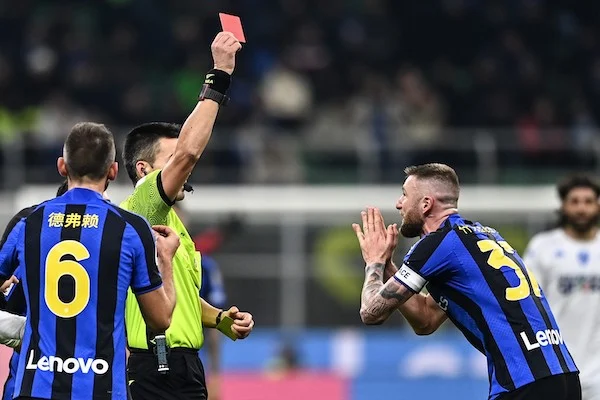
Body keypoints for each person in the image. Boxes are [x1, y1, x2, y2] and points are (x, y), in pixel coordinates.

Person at [352, 163, 581, 400]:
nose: (399, 204)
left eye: (404, 195)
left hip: (524, 382)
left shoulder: (437, 244)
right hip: (564, 376)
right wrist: (388, 266)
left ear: (426, 204)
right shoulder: (485, 237)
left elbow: (371, 312)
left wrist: (374, 263)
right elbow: (426, 319)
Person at [0, 122, 178, 400]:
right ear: (113, 171)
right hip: (101, 388)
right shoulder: (130, 228)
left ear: (62, 166)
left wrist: (16, 327)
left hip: (36, 386)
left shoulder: (28, 222)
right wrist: (165, 259)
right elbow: (160, 319)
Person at [121, 32, 254, 400]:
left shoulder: (169, 221)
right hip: (155, 366)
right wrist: (220, 75)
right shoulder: (142, 205)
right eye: (171, 160)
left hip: (184, 367)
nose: (184, 168)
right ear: (144, 169)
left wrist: (221, 319)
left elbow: (179, 298)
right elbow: (189, 154)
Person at [0, 182, 112, 400]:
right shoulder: (114, 245)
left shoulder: (30, 229)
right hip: (88, 378)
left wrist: (24, 333)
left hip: (32, 377)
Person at [523, 175, 600, 400]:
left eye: (588, 201)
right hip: (557, 367)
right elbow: (527, 303)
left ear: (597, 206)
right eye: (574, 201)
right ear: (563, 206)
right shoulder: (543, 247)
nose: (581, 208)